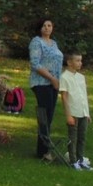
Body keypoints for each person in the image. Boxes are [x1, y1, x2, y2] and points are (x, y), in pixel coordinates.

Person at [30, 18, 64, 160]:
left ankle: (45, 148)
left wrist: (57, 81)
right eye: (44, 25)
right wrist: (51, 78)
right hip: (42, 83)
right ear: (40, 28)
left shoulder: (54, 43)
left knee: (49, 115)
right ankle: (43, 151)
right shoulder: (37, 42)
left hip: (54, 83)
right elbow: (35, 64)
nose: (47, 28)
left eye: (49, 25)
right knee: (44, 115)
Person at [59, 53, 93, 171]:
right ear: (69, 62)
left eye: (81, 61)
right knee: (73, 138)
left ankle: (80, 159)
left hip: (82, 111)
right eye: (77, 60)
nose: (80, 63)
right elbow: (64, 97)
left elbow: (84, 95)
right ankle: (73, 161)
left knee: (82, 137)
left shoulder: (81, 77)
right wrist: (68, 115)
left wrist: (87, 113)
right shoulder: (64, 77)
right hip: (73, 112)